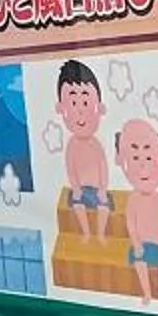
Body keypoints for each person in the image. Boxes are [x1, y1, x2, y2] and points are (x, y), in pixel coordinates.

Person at [117, 117, 158, 301]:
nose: (143, 165)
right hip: (141, 246)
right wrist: (136, 244)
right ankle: (146, 293)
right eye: (136, 158)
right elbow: (131, 223)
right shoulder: (133, 199)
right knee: (139, 262)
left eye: (149, 158)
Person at [55, 59, 109, 230]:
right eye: (73, 103)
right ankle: (85, 232)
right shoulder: (72, 145)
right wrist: (76, 188)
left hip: (97, 190)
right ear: (61, 108)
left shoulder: (95, 144)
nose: (79, 111)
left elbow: (103, 167)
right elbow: (71, 169)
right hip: (80, 191)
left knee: (104, 208)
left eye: (85, 103)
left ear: (99, 108)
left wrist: (102, 189)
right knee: (77, 206)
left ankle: (100, 234)